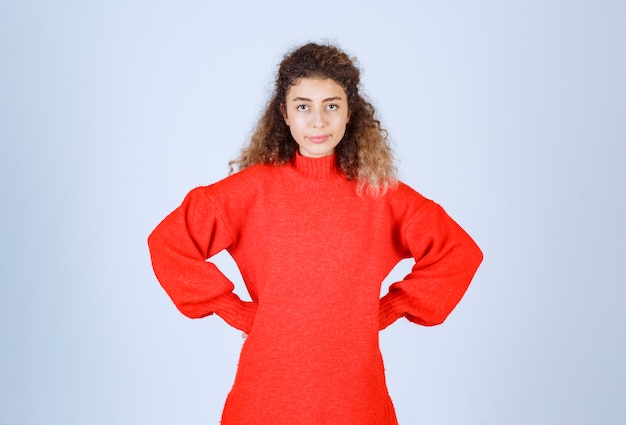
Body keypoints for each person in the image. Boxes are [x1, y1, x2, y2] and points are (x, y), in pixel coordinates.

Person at [148, 42, 483, 425]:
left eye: (332, 105)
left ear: (350, 112)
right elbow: (169, 244)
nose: (318, 121)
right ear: (284, 114)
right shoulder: (250, 191)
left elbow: (458, 253)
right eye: (303, 106)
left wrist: (393, 307)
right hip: (267, 389)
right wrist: (232, 309)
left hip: (356, 392)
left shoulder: (380, 195)